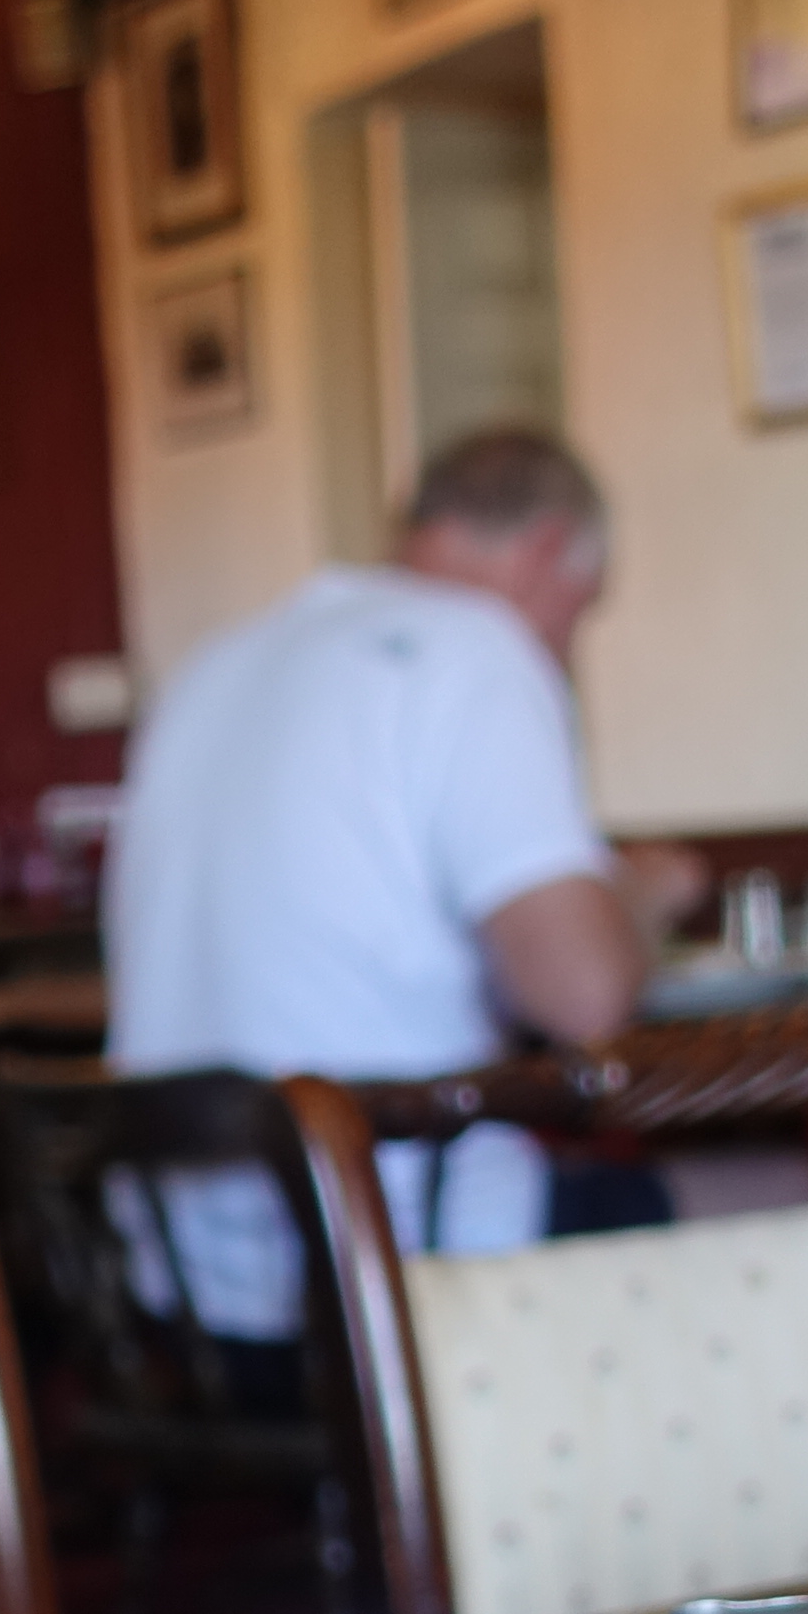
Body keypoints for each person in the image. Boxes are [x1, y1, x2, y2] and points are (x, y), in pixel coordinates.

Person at [102, 425, 704, 1349]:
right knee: (797, 1192)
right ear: (545, 551)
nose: (565, 651)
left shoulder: (214, 666)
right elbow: (585, 999)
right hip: (398, 1289)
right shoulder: (475, 648)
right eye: (580, 613)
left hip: (189, 1310)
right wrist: (645, 896)